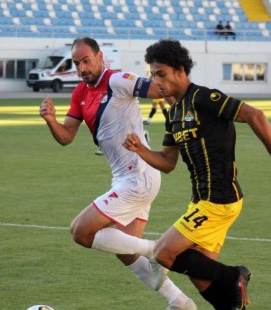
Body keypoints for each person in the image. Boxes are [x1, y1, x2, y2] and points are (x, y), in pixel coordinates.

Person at [123, 39, 271, 309]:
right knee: (200, 274)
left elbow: (255, 115)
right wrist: (139, 149)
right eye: (152, 75)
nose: (157, 81)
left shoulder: (203, 98)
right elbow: (167, 162)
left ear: (181, 70)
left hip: (219, 198)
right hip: (203, 200)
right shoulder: (174, 113)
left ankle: (235, 274)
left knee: (162, 253)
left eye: (161, 73)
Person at [39, 37, 196, 310]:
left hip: (139, 175)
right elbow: (66, 137)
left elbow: (160, 88)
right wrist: (51, 120)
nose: (82, 67)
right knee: (126, 252)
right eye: (77, 63)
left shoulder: (117, 80)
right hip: (126, 177)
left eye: (86, 60)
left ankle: (157, 250)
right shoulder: (80, 93)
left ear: (100, 57)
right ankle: (181, 303)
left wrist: (180, 99)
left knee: (80, 231)